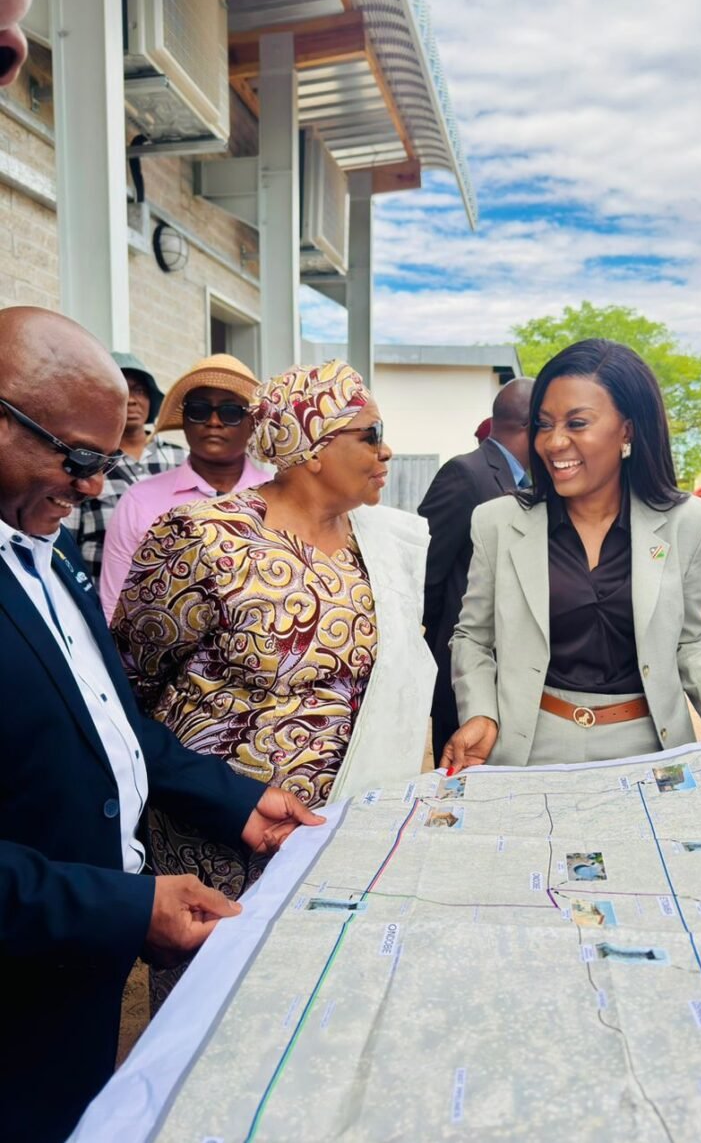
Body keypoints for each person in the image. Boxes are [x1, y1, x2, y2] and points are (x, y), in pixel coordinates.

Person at [0, 307, 323, 1143]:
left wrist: (237, 801)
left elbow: (119, 730)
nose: (91, 489)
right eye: (76, 459)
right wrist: (125, 905)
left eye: (106, 464)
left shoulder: (51, 559)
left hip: (70, 982)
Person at [112, 359, 435, 921]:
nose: (386, 453)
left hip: (348, 826)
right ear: (312, 444)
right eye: (371, 435)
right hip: (223, 834)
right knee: (219, 997)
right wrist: (214, 797)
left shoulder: (381, 545)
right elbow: (129, 683)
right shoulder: (204, 537)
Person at [443, 339, 701, 775]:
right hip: (530, 745)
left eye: (577, 423)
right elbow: (473, 638)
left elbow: (688, 641)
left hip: (651, 749)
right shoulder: (498, 522)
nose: (554, 443)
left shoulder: (686, 521)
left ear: (627, 430)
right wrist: (480, 712)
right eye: (543, 424)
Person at [99, 354, 265, 621]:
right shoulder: (139, 501)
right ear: (185, 420)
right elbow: (114, 609)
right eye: (199, 410)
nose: (214, 422)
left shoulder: (277, 494)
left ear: (252, 423)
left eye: (231, 412)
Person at [418, 378, 533, 761]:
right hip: (463, 669)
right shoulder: (466, 474)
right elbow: (426, 574)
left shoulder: (531, 484)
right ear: (530, 425)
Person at [65, 352, 185, 588]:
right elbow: (66, 541)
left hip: (175, 597)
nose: (132, 399)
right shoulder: (88, 461)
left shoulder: (181, 458)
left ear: (151, 400)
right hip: (104, 598)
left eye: (139, 390)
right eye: (123, 389)